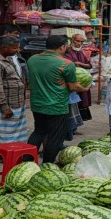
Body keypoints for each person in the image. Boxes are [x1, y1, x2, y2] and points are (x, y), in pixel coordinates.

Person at [26, 35, 90, 163]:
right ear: (62, 47)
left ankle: (27, 161)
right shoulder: (66, 63)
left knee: (39, 131)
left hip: (37, 104)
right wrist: (85, 88)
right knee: (56, 136)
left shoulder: (32, 59)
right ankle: (48, 164)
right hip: (57, 106)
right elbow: (73, 86)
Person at [0, 36, 27, 152]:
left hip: (14, 101)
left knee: (12, 131)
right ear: (4, 48)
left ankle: (13, 152)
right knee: (4, 133)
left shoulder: (7, 58)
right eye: (14, 48)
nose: (17, 50)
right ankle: (1, 154)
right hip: (4, 104)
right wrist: (4, 107)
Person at [64, 33, 93, 121]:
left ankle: (75, 126)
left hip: (81, 81)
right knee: (72, 104)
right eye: (77, 41)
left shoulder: (81, 52)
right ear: (72, 40)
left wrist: (80, 64)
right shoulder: (66, 52)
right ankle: (71, 127)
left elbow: (89, 65)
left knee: (81, 102)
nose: (79, 43)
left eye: (81, 42)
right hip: (71, 82)